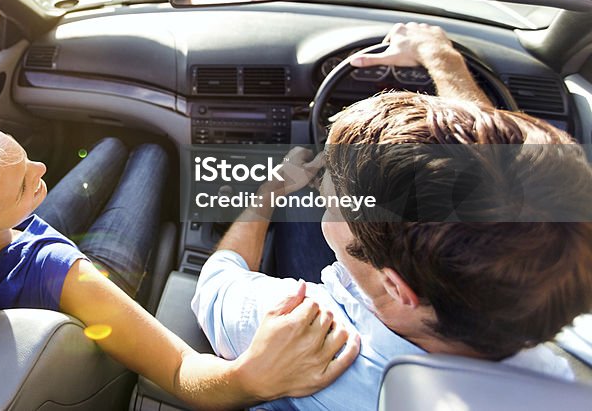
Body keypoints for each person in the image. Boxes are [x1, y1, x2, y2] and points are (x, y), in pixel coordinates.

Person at [0, 0, 360, 410]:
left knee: (109, 146)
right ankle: (139, 155)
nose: (42, 169)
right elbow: (179, 369)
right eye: (22, 182)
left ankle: (105, 155)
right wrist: (250, 377)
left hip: (12, 238)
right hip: (90, 270)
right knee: (148, 153)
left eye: (23, 158)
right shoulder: (61, 272)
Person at [192, 22, 592, 410]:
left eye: (333, 199)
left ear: (399, 289)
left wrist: (268, 195)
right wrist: (442, 59)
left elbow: (215, 283)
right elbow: (500, 174)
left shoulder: (307, 331)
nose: (324, 190)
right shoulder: (576, 343)